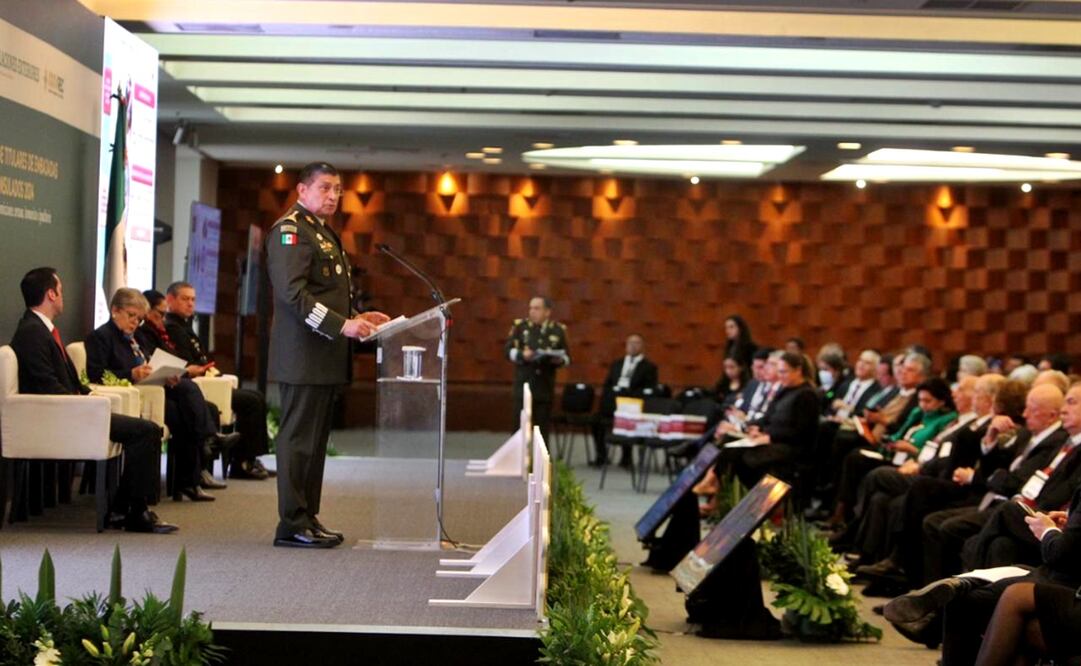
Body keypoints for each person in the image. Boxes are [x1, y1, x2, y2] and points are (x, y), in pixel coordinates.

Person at [265, 161, 390, 549]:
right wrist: (341, 326)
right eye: (324, 188)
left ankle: (308, 516)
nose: (333, 196)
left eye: (338, 189)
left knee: (315, 443)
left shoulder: (319, 232)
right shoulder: (290, 232)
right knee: (299, 440)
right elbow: (293, 296)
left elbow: (322, 295)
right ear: (302, 191)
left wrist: (354, 318)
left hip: (322, 356)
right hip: (303, 357)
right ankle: (291, 524)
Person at [9, 268, 175, 533]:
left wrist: (89, 395)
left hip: (75, 410)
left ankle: (127, 508)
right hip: (62, 417)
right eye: (61, 290)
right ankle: (133, 512)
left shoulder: (42, 329)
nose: (64, 296)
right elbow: (47, 386)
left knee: (146, 429)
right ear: (51, 294)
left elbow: (69, 381)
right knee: (146, 431)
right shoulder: (32, 332)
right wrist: (86, 404)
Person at [85, 288, 235, 502]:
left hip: (153, 390)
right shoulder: (100, 337)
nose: (135, 322)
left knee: (197, 404)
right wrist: (131, 373)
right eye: (131, 316)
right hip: (134, 397)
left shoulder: (135, 338)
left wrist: (164, 375)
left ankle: (192, 474)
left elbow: (149, 361)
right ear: (115, 311)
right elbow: (96, 374)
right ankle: (200, 458)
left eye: (138, 318)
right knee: (185, 407)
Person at [160, 282, 273, 481]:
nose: (190, 304)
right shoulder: (172, 327)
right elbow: (186, 362)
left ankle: (250, 457)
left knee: (256, 396)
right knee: (251, 401)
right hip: (198, 385)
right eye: (185, 299)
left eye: (193, 299)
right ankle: (241, 462)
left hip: (208, 382)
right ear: (170, 300)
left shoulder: (184, 325)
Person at [504, 296, 569, 445]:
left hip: (544, 386)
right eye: (531, 308)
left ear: (547, 312)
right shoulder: (520, 327)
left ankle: (541, 465)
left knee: (542, 430)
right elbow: (507, 351)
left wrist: (559, 360)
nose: (532, 312)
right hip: (524, 384)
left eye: (537, 308)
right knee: (519, 428)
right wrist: (522, 355)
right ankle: (516, 463)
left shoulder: (558, 330)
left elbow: (567, 357)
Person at [592, 333, 657, 465]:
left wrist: (628, 393)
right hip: (614, 403)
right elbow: (608, 385)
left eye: (636, 343)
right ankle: (602, 455)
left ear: (642, 346)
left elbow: (650, 389)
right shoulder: (617, 364)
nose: (633, 346)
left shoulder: (649, 367)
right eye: (630, 343)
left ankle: (626, 457)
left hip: (633, 404)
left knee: (628, 419)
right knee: (596, 420)